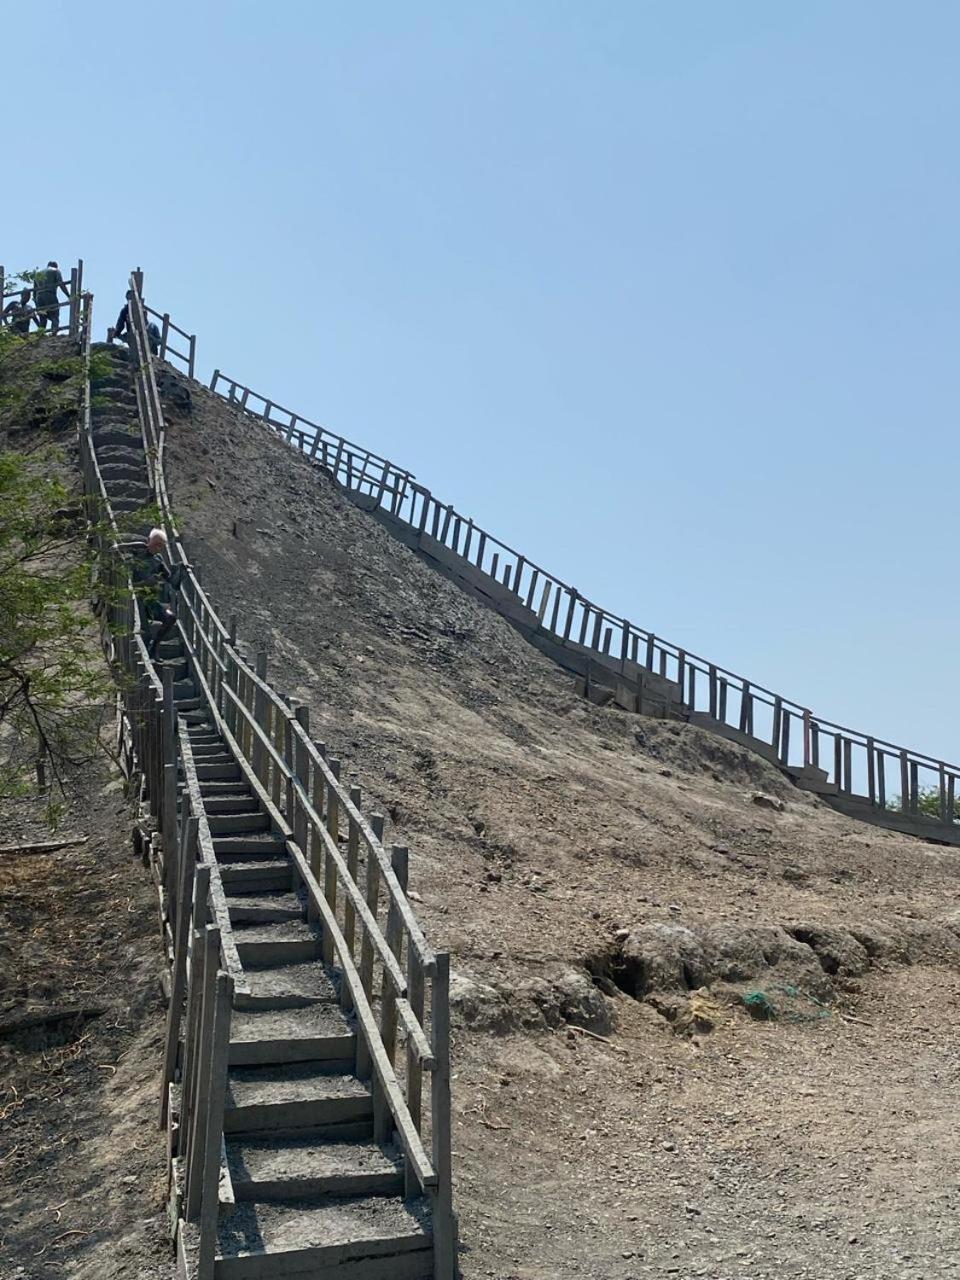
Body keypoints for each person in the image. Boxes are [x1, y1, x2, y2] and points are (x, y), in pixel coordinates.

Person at [122, 527, 177, 658]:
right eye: (156, 544)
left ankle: (154, 647)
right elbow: (126, 583)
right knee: (144, 631)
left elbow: (169, 578)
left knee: (170, 618)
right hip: (136, 599)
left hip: (151, 600)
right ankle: (142, 656)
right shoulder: (136, 555)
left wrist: (181, 570)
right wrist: (145, 583)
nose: (157, 548)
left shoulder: (158, 559)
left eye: (160, 546)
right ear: (149, 540)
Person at [113, 290, 161, 355]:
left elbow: (159, 341)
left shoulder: (152, 326)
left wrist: (150, 337)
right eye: (128, 299)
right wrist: (116, 333)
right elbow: (121, 325)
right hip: (135, 343)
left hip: (150, 350)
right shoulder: (126, 310)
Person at [33, 261, 69, 333]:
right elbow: (61, 284)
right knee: (55, 315)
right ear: (55, 266)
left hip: (39, 297)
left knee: (42, 318)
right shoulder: (55, 270)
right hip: (49, 295)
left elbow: (34, 291)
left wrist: (36, 303)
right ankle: (54, 333)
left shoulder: (37, 273)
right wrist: (68, 295)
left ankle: (40, 334)